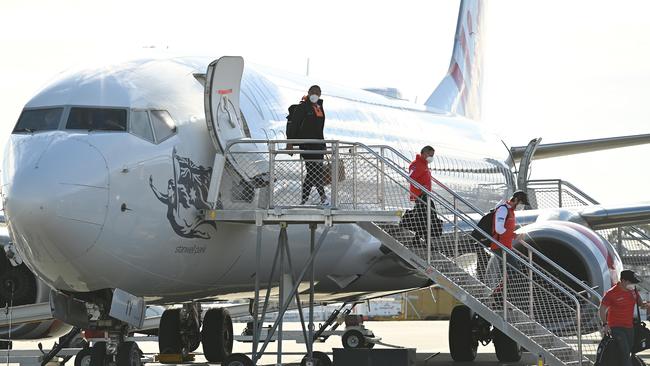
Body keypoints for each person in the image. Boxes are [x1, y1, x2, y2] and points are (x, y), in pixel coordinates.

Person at [600, 270, 649, 366]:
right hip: (616, 327)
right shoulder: (611, 293)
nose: (633, 284)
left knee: (628, 352)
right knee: (625, 352)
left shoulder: (633, 290)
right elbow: (602, 309)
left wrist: (645, 305)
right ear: (623, 281)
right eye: (631, 282)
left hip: (629, 327)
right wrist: (605, 324)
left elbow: (640, 303)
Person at [291, 85, 327, 205]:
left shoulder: (319, 107)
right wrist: (290, 143)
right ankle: (323, 197)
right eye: (313, 92)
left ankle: (305, 199)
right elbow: (294, 125)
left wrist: (323, 144)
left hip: (318, 145)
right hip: (306, 145)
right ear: (309, 92)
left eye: (317, 92)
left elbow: (319, 128)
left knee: (315, 171)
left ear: (320, 94)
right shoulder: (302, 107)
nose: (315, 94)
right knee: (313, 170)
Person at [403, 146, 439, 244]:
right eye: (429, 155)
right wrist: (420, 188)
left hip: (425, 195)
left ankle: (417, 240)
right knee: (427, 218)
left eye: (432, 155)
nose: (431, 157)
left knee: (424, 218)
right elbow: (409, 178)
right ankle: (426, 242)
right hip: (420, 195)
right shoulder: (417, 164)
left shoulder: (424, 164)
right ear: (423, 153)